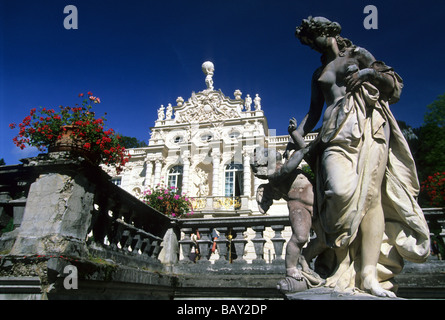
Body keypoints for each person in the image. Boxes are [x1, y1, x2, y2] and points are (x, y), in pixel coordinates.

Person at [288, 16, 430, 297]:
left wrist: (367, 74)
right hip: (333, 135)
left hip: (367, 127)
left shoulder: (358, 54)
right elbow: (314, 111)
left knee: (372, 198)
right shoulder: (318, 74)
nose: (311, 46)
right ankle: (334, 258)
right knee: (339, 193)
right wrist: (298, 135)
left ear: (326, 32)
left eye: (311, 38)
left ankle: (367, 274)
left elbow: (393, 84)